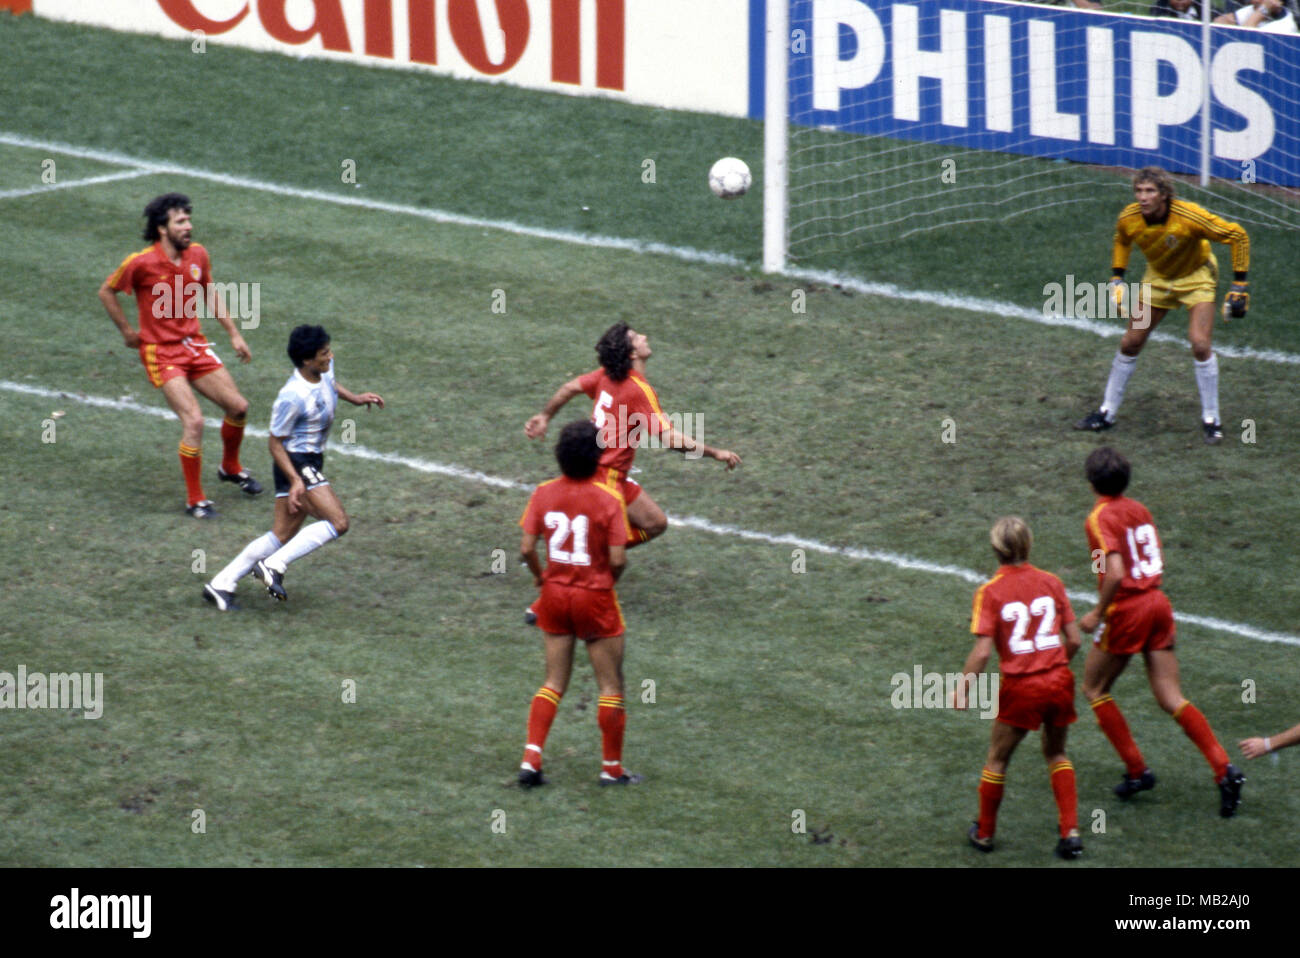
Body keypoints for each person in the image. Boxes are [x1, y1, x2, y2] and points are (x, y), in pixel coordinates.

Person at [1078, 447, 1245, 816]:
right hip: (1158, 602)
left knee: (1094, 687)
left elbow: (1115, 573)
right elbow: (1155, 559)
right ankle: (1224, 769)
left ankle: (1138, 770)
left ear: (1091, 483)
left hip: (1128, 609)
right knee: (1171, 696)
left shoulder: (1098, 517)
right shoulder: (1140, 509)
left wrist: (1097, 612)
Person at [99, 193, 262, 518]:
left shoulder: (198, 254)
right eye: (181, 221)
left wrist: (233, 333)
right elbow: (107, 291)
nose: (189, 226)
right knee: (194, 421)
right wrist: (128, 333)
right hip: (162, 353)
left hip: (194, 346)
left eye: (188, 220)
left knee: (238, 407)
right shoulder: (141, 263)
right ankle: (195, 499)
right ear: (162, 228)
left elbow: (209, 290)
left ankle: (230, 467)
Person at [202, 325, 383, 610]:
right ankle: (274, 564)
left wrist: (356, 398)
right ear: (307, 360)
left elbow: (330, 384)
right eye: (324, 353)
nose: (330, 356)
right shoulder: (291, 397)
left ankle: (221, 583)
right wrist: (295, 479)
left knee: (281, 534)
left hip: (311, 460)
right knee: (338, 522)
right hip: (297, 461)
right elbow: (275, 443)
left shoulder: (323, 369)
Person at [524, 323, 741, 549]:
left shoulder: (607, 375)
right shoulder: (638, 389)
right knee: (651, 525)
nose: (645, 337)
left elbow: (570, 387)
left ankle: (587, 544)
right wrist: (715, 453)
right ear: (633, 353)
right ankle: (592, 551)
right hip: (608, 475)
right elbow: (670, 439)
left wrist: (545, 415)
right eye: (637, 337)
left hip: (590, 465)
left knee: (656, 522)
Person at [1073, 167, 1250, 445]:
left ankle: (1212, 419)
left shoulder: (1189, 217)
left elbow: (1237, 235)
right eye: (1139, 191)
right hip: (1157, 280)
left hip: (1196, 278)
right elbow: (1122, 239)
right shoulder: (1129, 218)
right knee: (1131, 342)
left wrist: (1240, 285)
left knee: (1200, 344)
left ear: (1164, 194)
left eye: (1150, 191)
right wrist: (1117, 278)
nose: (1143, 197)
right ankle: (1106, 412)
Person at [516, 419, 640, 788]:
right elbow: (618, 559)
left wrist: (540, 576)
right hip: (594, 597)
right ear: (598, 456)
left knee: (553, 681)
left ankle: (531, 759)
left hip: (554, 595)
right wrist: (604, 582)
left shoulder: (543, 493)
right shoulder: (608, 498)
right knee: (610, 684)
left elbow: (525, 548)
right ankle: (611, 769)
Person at [954, 517, 1084, 859]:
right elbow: (1074, 639)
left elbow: (982, 651)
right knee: (1056, 753)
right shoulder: (1052, 582)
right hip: (1058, 680)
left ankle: (984, 833)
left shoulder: (990, 592)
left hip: (1022, 687)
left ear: (995, 550)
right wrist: (1054, 666)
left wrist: (963, 688)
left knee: (997, 758)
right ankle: (1070, 833)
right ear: (1029, 545)